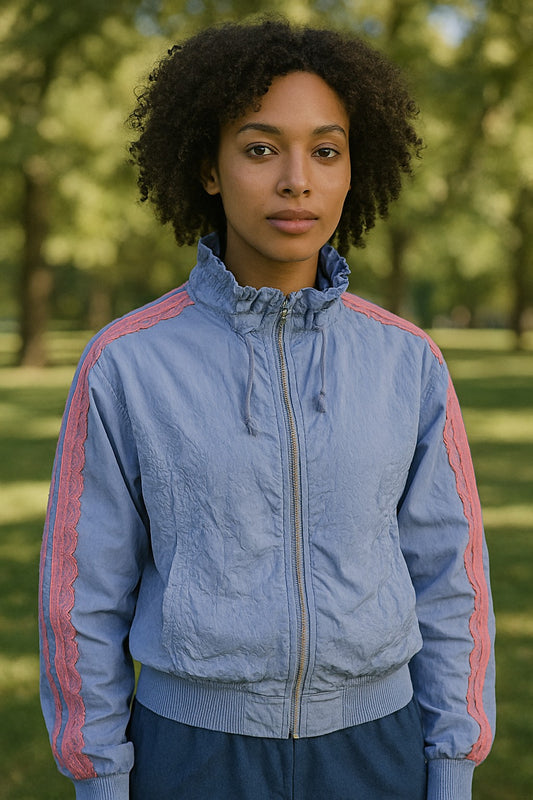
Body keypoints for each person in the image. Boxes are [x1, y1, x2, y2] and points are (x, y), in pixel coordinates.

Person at [39, 17, 495, 800]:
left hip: (376, 750)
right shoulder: (126, 362)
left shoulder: (407, 361)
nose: (296, 181)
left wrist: (451, 763)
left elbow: (450, 579)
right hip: (191, 753)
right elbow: (81, 595)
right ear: (209, 169)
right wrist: (101, 776)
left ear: (352, 169)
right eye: (259, 149)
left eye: (325, 151)